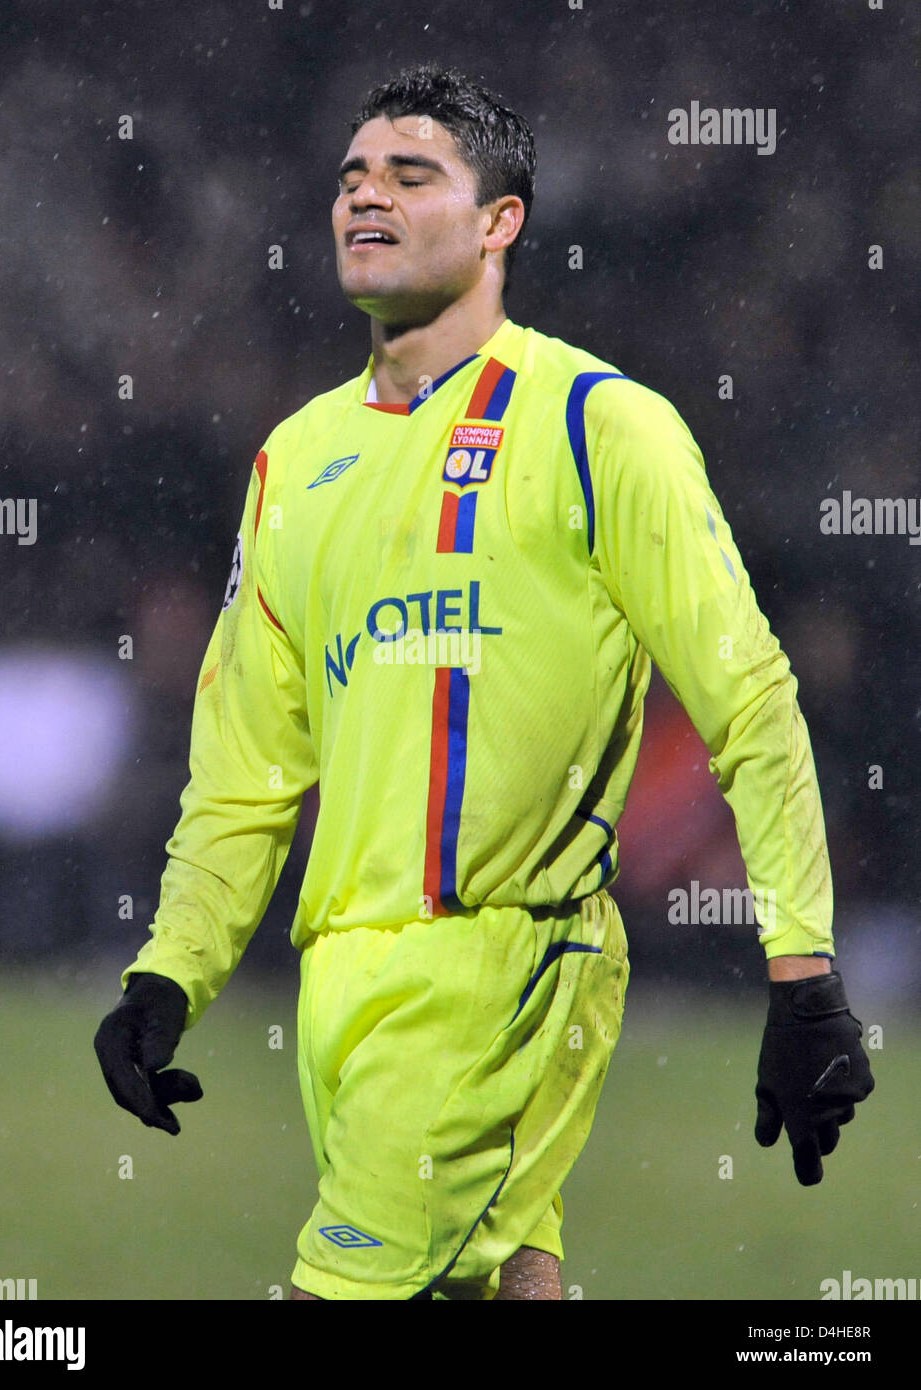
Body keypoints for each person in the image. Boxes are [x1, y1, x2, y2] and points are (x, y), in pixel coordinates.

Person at [94, 64, 874, 1302]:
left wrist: (803, 972)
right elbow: (245, 765)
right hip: (340, 981)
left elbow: (750, 697)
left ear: (500, 221)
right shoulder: (295, 460)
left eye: (413, 175)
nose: (367, 196)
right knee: (504, 1287)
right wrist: (170, 970)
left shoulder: (597, 425)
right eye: (353, 175)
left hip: (503, 970)